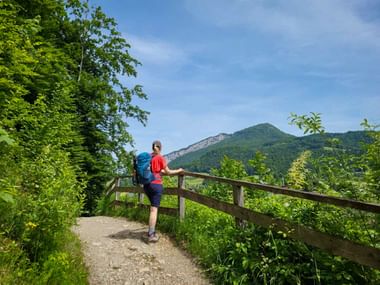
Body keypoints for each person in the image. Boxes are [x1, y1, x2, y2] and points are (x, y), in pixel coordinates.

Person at [144, 140, 184, 242]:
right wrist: (179, 170)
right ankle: (151, 234)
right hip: (156, 185)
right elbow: (169, 172)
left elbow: (152, 169)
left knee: (152, 207)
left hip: (146, 185)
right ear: (160, 148)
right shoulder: (160, 158)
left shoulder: (148, 157)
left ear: (152, 147)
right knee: (154, 209)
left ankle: (150, 231)